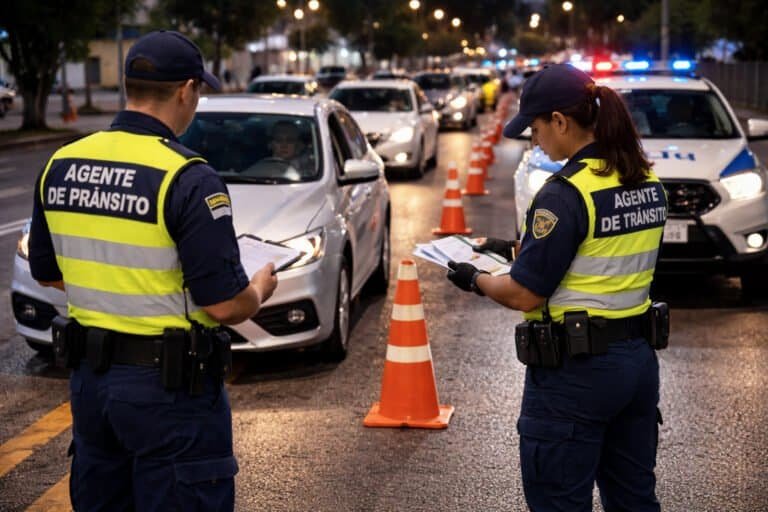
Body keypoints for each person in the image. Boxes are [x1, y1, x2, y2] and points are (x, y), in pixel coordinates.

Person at [28, 30, 278, 511]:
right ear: (186, 90)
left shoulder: (62, 163)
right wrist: (259, 289)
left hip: (90, 386)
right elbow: (224, 304)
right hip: (170, 391)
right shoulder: (188, 176)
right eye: (198, 92)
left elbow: (48, 272)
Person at [445, 64, 669, 511]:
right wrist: (514, 248)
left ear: (561, 122)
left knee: (559, 501)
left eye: (536, 127)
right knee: (634, 500)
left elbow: (526, 294)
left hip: (576, 375)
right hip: (637, 364)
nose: (535, 140)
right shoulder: (646, 181)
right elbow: (594, 256)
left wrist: (477, 279)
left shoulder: (565, 192)